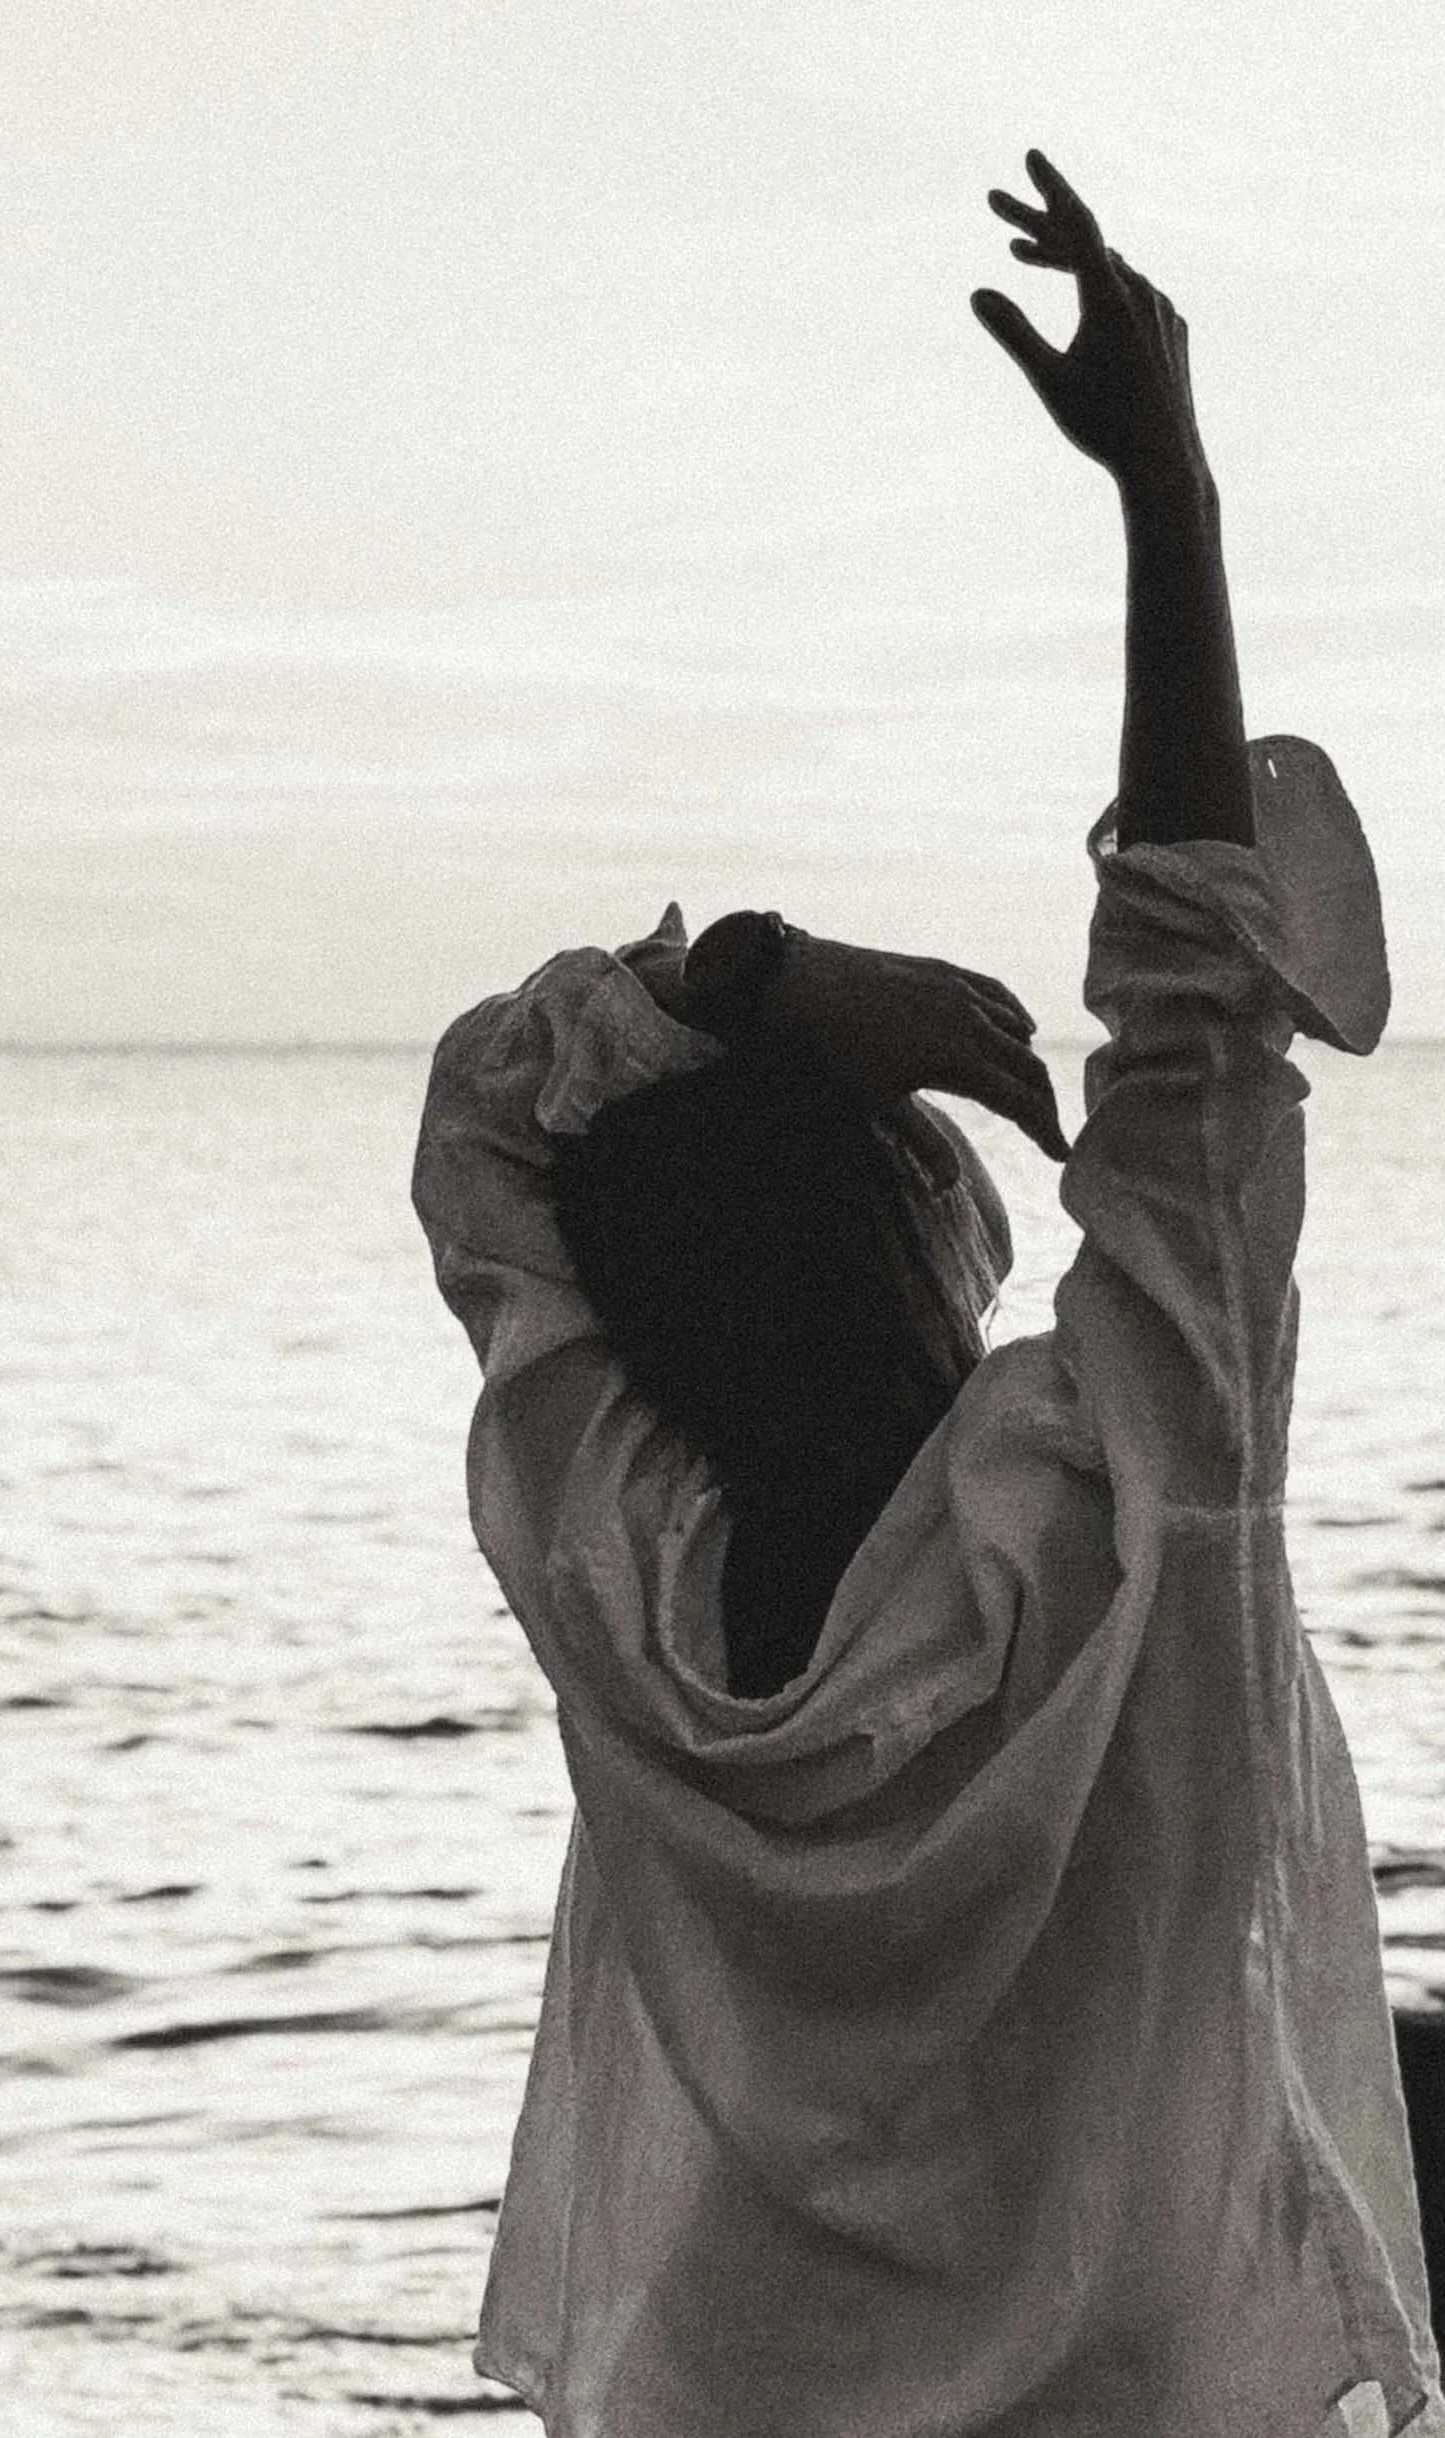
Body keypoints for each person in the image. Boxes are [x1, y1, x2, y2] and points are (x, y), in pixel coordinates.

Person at [412, 152, 1443, 2437]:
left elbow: (483, 1123)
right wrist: (1166, 496)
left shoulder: (624, 1580)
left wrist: (771, 984)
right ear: (916, 1233)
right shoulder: (1127, 1515)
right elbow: (1193, 1020)